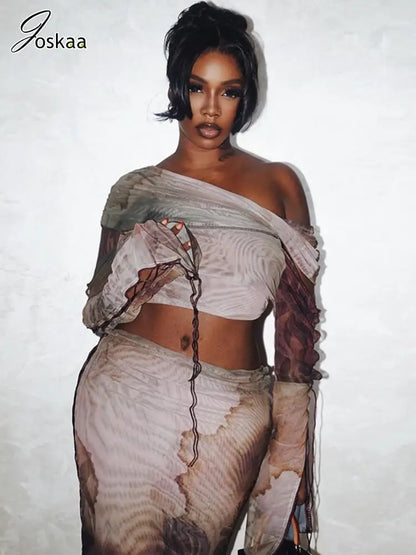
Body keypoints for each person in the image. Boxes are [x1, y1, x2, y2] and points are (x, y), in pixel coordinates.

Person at [73, 2, 321, 554]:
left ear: (243, 97)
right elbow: (97, 313)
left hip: (232, 417)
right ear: (177, 89)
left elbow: (298, 332)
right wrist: (139, 263)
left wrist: (291, 453)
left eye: (229, 91)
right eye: (196, 87)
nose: (211, 107)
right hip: (124, 399)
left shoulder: (278, 184)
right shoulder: (135, 190)